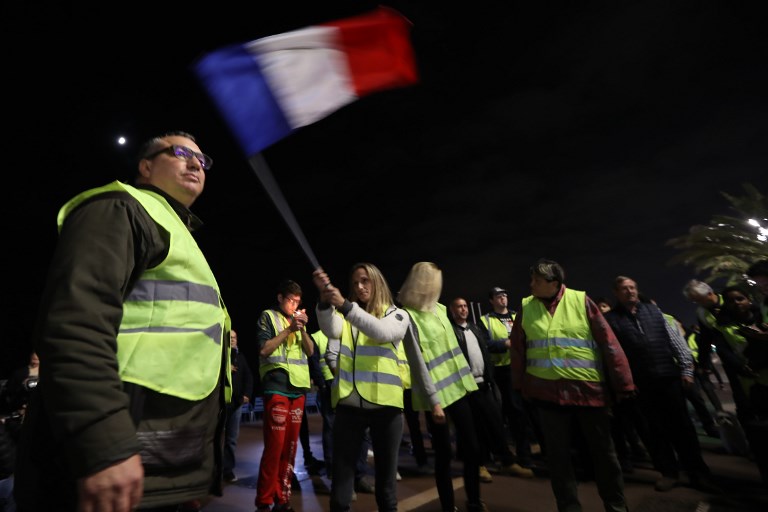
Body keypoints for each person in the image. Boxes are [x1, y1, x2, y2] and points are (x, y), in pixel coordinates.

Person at [14, 131, 231, 512]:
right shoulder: (120, 207)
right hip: (112, 459)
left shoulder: (180, 232)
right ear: (146, 166)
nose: (196, 163)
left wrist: (191, 474)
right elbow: (75, 326)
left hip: (157, 465)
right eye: (181, 153)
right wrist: (105, 446)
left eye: (203, 160)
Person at [510, 259, 635, 512]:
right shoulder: (526, 308)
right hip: (547, 397)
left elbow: (608, 343)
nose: (530, 284)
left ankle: (616, 506)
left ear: (553, 283)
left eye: (536, 280)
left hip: (589, 395)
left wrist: (623, 384)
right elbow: (518, 351)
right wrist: (520, 387)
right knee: (558, 460)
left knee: (604, 456)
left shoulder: (582, 301)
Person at [312, 263, 409, 512]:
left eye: (365, 281)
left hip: (386, 408)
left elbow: (381, 331)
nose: (359, 287)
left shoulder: (396, 314)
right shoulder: (348, 317)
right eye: (355, 283)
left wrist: (345, 305)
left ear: (377, 282)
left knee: (386, 487)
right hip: (349, 405)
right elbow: (330, 328)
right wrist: (325, 303)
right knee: (341, 487)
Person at [605, 277, 715, 493]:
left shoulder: (655, 312)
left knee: (683, 428)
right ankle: (668, 472)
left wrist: (686, 369)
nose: (630, 291)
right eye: (624, 289)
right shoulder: (611, 319)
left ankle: (698, 472)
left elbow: (676, 341)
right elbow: (613, 354)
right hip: (640, 383)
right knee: (654, 431)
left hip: (668, 378)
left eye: (633, 287)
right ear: (616, 293)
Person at [398, 263, 486, 512]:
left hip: (460, 389)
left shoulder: (440, 309)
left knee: (472, 449)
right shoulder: (409, 317)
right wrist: (434, 402)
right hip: (437, 398)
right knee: (444, 457)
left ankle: (474, 501)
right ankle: (449, 507)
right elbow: (418, 363)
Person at [448, 297, 534, 482]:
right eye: (459, 307)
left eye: (465, 306)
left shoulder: (474, 328)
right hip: (466, 387)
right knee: (473, 429)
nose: (463, 309)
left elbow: (484, 352)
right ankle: (479, 464)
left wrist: (489, 377)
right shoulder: (450, 332)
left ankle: (507, 461)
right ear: (452, 310)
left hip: (484, 384)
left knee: (495, 423)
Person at [254, 279, 314, 512]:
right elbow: (264, 349)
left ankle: (283, 498)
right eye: (291, 300)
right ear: (280, 298)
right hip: (276, 387)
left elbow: (310, 351)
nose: (294, 305)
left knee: (290, 448)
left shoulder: (299, 323)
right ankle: (264, 501)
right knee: (275, 446)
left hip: (297, 390)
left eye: (297, 302)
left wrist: (302, 330)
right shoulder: (268, 316)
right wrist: (289, 329)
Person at [712, 284, 768, 484]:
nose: (736, 303)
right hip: (750, 389)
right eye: (731, 300)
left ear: (749, 300)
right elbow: (725, 352)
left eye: (740, 298)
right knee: (760, 438)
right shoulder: (722, 327)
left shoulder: (763, 316)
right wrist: (744, 368)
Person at [480, 287, 536, 468]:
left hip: (520, 368)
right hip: (499, 372)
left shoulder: (517, 316)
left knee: (521, 414)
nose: (503, 298)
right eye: (498, 296)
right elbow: (485, 344)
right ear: (492, 300)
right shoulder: (485, 320)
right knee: (503, 414)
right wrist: (504, 343)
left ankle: (524, 454)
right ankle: (504, 455)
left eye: (505, 295)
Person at [223, 329, 254, 484]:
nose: (233, 340)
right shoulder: (220, 357)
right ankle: (213, 469)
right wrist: (226, 370)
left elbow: (249, 377)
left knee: (231, 439)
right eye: (230, 338)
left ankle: (227, 470)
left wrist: (247, 394)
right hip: (221, 404)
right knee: (215, 438)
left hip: (236, 404)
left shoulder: (240, 357)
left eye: (235, 337)